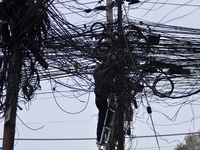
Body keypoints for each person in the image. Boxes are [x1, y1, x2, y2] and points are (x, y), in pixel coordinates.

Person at [93, 63, 113, 144]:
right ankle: (99, 138)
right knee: (102, 119)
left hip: (102, 99)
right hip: (100, 99)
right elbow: (105, 74)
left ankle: (107, 125)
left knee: (109, 112)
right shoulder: (97, 75)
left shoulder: (102, 76)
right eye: (100, 69)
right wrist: (110, 65)